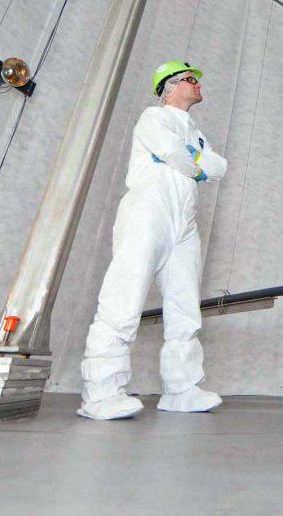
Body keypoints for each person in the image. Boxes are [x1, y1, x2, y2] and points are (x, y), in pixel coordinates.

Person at [78, 61, 228, 420]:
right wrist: (197, 163)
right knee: (124, 297)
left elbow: (219, 167)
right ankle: (100, 394)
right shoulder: (153, 117)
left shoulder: (196, 132)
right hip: (149, 209)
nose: (198, 84)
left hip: (184, 220)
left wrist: (194, 159)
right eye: (192, 79)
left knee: (184, 305)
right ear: (172, 86)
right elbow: (176, 154)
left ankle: (181, 389)